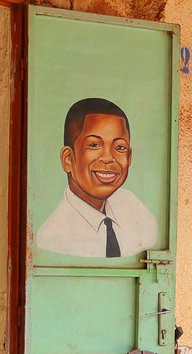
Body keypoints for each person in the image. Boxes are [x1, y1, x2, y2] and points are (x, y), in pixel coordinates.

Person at [36, 98, 158, 258]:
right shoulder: (52, 237)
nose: (108, 158)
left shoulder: (134, 209)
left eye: (119, 147)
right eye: (94, 145)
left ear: (129, 158)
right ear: (68, 159)